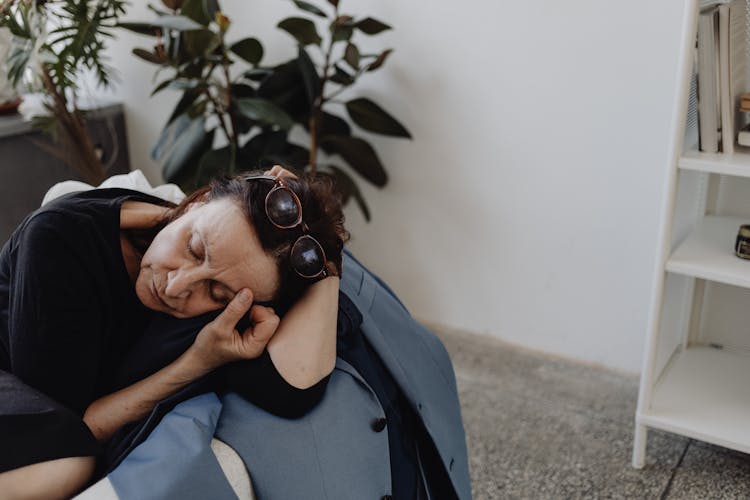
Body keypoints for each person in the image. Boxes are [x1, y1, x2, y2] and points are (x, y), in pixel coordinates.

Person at [0, 165, 346, 499]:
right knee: (64, 467)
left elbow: (293, 389)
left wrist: (329, 265)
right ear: (196, 203)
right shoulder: (59, 240)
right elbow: (67, 434)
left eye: (216, 293)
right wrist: (198, 362)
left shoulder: (238, 281)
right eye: (194, 249)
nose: (176, 286)